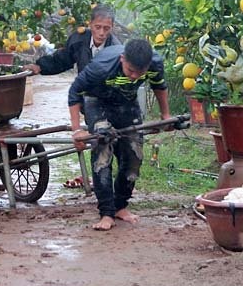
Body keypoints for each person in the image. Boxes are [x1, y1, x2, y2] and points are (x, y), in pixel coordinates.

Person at [68, 39, 170, 231]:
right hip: (97, 102)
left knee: (134, 155)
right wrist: (77, 130)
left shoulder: (154, 63)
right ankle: (106, 213)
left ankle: (120, 206)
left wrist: (166, 115)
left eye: (140, 73)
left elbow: (159, 85)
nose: (134, 77)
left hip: (127, 103)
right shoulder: (101, 68)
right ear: (122, 59)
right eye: (130, 70)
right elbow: (74, 92)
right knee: (103, 152)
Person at [23, 4, 120, 76]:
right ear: (90, 24)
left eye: (106, 28)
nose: (101, 33)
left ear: (112, 27)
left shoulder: (117, 50)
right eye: (97, 27)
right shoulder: (78, 40)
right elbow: (62, 59)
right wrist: (40, 67)